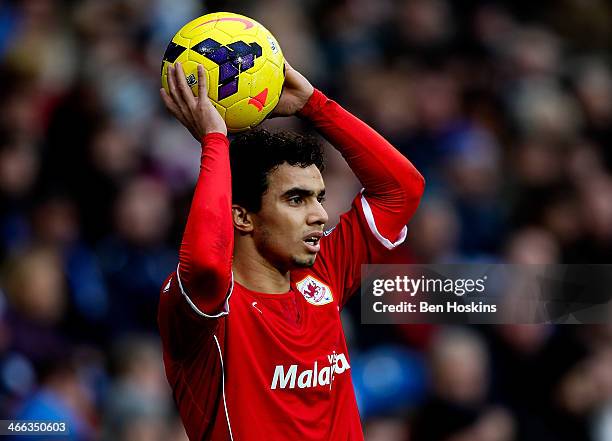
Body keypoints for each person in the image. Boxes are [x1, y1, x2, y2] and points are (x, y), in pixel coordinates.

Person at [157, 60, 425, 440]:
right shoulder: (204, 309)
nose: (320, 215)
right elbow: (206, 263)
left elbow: (402, 190)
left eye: (320, 197)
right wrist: (214, 141)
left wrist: (315, 105)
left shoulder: (323, 273)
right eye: (296, 199)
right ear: (242, 217)